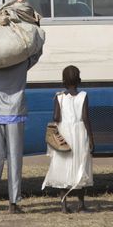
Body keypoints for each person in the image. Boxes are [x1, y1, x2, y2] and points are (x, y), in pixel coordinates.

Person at [0, 31, 43, 214]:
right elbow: (37, 52)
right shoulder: (22, 62)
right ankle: (13, 203)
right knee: (14, 159)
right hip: (15, 114)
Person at [42, 65, 94, 213]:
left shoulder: (59, 97)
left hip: (64, 135)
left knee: (63, 167)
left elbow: (56, 117)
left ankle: (64, 206)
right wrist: (91, 138)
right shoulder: (83, 95)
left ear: (63, 80)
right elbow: (85, 118)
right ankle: (81, 205)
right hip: (80, 134)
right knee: (80, 166)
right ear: (79, 80)